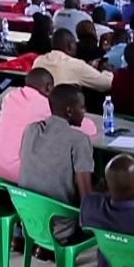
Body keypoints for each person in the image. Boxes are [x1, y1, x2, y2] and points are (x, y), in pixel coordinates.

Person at [18, 84, 96, 245]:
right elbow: (86, 196)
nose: (84, 111)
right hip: (60, 230)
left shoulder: (31, 129)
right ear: (69, 111)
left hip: (28, 220)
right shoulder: (79, 140)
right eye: (82, 107)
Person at [0, 68, 96, 184]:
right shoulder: (45, 105)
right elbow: (87, 128)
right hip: (20, 179)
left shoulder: (10, 97)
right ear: (48, 87)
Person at [31, 29, 113, 91]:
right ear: (70, 46)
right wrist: (107, 71)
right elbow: (107, 84)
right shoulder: (77, 65)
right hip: (62, 110)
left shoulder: (38, 60)